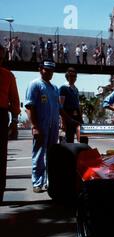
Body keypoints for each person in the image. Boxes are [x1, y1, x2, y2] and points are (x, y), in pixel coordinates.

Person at [25, 60, 79, 193]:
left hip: (53, 127)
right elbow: (29, 107)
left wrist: (70, 120)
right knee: (39, 154)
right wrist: (34, 126)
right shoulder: (35, 85)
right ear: (40, 69)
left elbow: (60, 108)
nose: (49, 73)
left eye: (51, 70)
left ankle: (50, 181)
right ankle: (37, 183)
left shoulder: (54, 88)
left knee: (52, 155)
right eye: (46, 70)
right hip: (41, 125)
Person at [0, 43, 21, 203]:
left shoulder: (8, 75)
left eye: (1, 56)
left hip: (1, 116)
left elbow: (14, 101)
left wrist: (14, 122)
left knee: (1, 156)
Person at [59, 68, 82, 143]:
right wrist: (63, 121)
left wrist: (80, 117)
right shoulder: (63, 88)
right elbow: (60, 106)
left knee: (81, 137)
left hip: (76, 116)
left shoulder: (76, 89)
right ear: (67, 77)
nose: (73, 78)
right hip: (67, 116)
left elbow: (77, 104)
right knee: (68, 138)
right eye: (71, 76)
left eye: (74, 76)